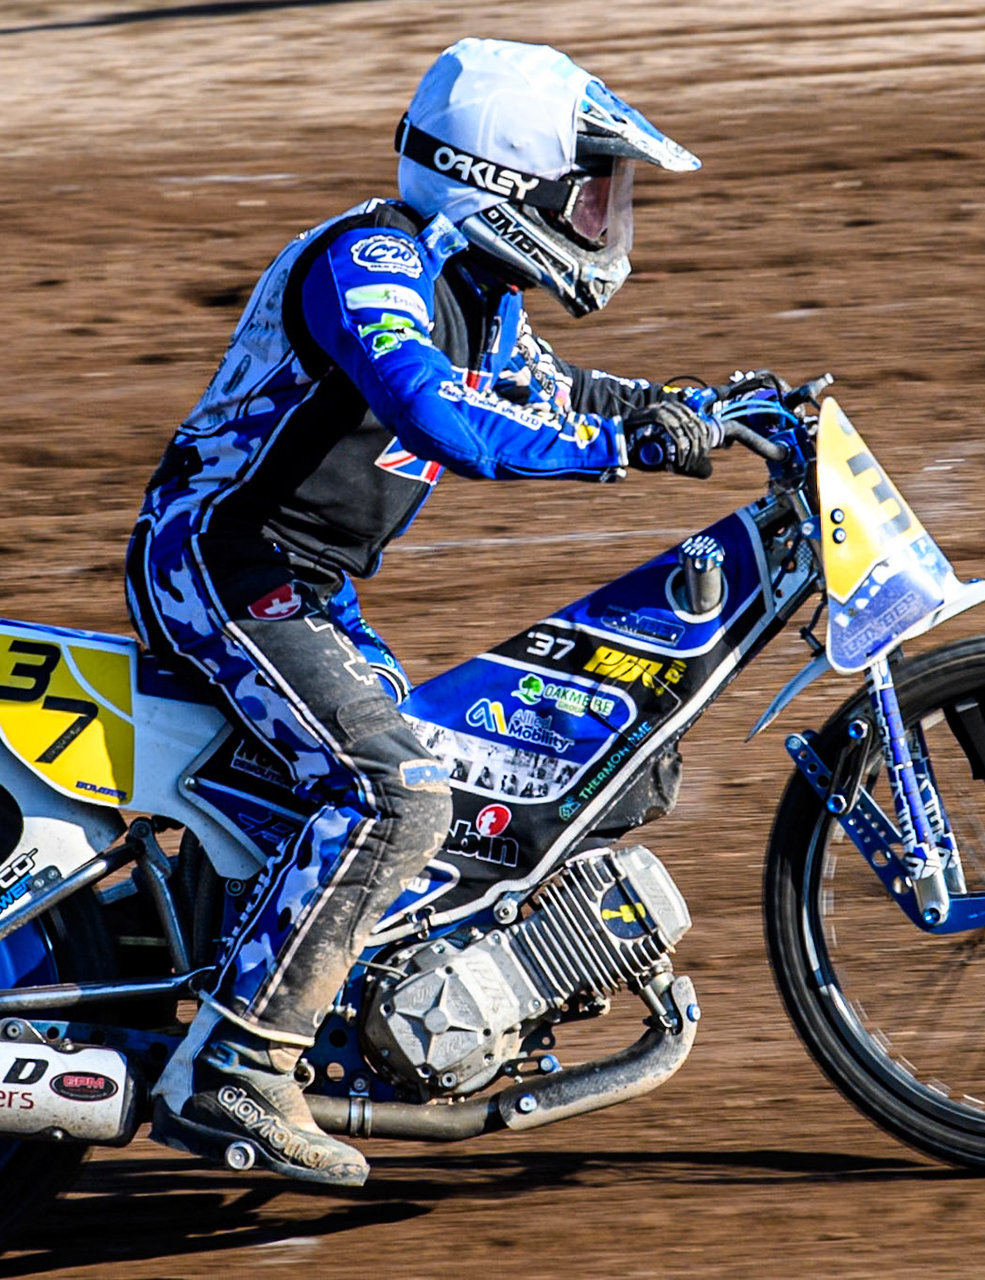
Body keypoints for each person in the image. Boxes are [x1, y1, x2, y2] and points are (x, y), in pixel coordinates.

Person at [126, 37, 769, 1185]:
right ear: (503, 181)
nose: (604, 219)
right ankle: (235, 1068)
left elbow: (563, 390)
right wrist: (623, 447)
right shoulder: (372, 259)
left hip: (302, 586)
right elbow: (440, 418)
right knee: (396, 789)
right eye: (589, 190)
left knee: (474, 787)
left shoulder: (481, 297)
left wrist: (712, 410)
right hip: (221, 564)